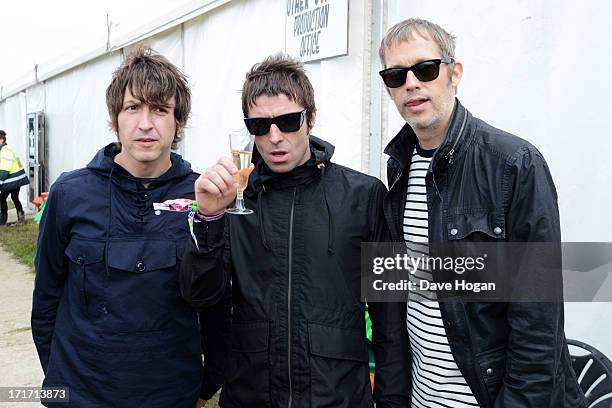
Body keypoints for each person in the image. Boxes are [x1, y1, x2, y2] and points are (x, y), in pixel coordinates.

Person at [180, 53, 410, 407]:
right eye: (259, 125)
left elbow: (389, 312)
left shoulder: (364, 195)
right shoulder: (233, 198)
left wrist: (393, 401)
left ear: (311, 118)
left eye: (288, 121)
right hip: (251, 396)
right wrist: (208, 220)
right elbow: (201, 296)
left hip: (338, 398)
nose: (274, 137)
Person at [378, 18, 586, 407]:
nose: (411, 83)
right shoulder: (399, 168)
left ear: (453, 73)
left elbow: (538, 321)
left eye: (425, 69)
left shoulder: (514, 164)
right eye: (395, 75)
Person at [31, 45, 228, 407]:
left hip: (169, 394)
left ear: (178, 121)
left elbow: (218, 307)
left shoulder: (204, 196)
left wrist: (205, 387)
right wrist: (61, 380)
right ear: (114, 118)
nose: (145, 124)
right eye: (133, 107)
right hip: (83, 392)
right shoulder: (70, 194)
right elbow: (46, 299)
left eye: (160, 109)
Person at [0, 130, 29, 225]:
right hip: (17, 178)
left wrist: (0, 181)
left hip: (13, 180)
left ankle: (3, 220)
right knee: (14, 197)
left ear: (1, 140)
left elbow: (5, 169)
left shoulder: (5, 151)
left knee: (2, 198)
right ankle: (21, 218)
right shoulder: (7, 149)